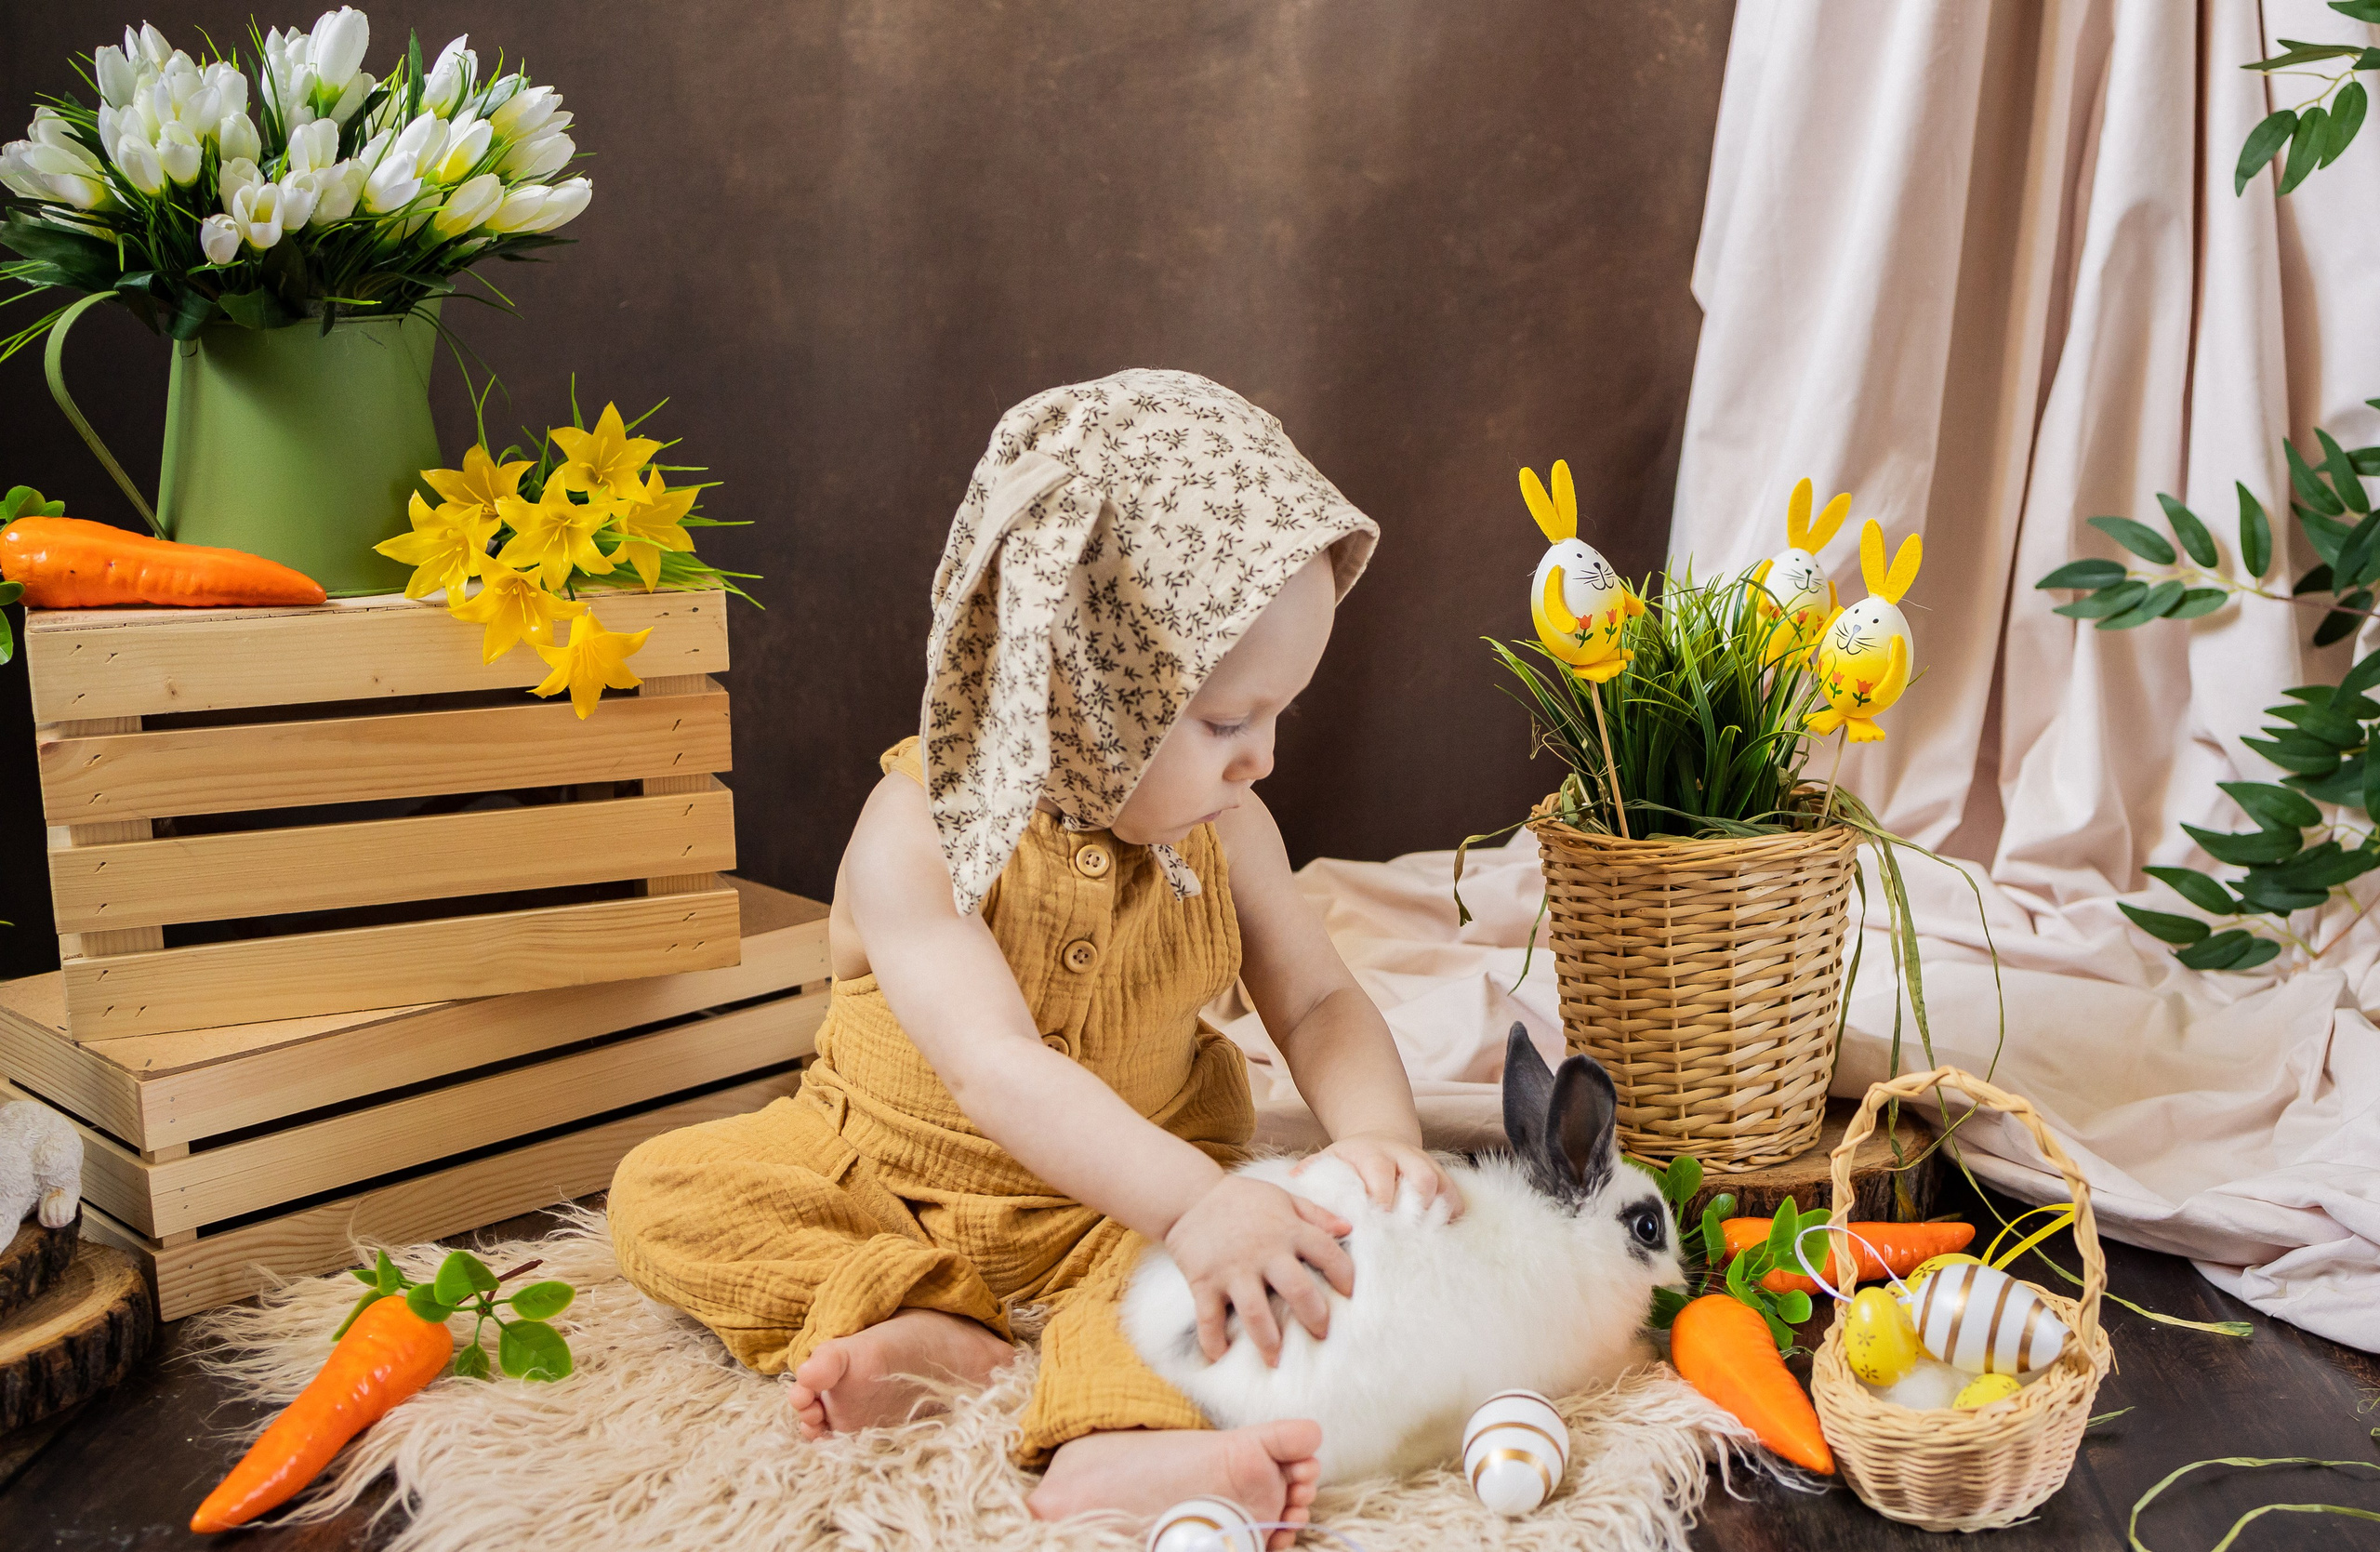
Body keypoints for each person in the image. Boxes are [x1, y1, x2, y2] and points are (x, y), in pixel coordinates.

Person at [609, 369, 1457, 1545]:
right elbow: (994, 1065)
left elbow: (1315, 1001)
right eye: (1224, 722)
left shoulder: (1230, 831)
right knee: (665, 1192)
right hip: (876, 1174)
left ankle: (1120, 1443)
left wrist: (1376, 1140)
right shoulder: (923, 828)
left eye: (1280, 716)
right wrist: (1201, 1206)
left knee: (1194, 1276)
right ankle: (919, 1315)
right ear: (1076, 679)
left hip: (1119, 1199)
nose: (1260, 758)